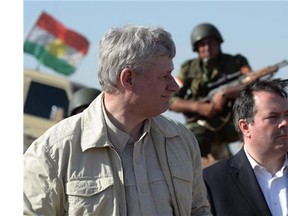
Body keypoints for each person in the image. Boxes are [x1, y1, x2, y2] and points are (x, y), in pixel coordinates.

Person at [23, 24, 212, 215]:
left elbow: (198, 211)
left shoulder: (181, 141)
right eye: (165, 76)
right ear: (128, 78)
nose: (174, 86)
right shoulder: (53, 152)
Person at [203, 78, 288, 216]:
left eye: (287, 115)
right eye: (273, 116)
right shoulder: (211, 182)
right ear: (245, 126)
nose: (284, 122)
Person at [169, 23, 252, 163]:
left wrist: (225, 93)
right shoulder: (188, 68)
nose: (207, 48)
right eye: (202, 44)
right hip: (203, 125)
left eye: (211, 42)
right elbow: (171, 99)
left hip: (234, 122)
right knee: (191, 139)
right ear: (196, 48)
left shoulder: (236, 62)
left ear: (218, 43)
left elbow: (252, 84)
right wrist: (198, 107)